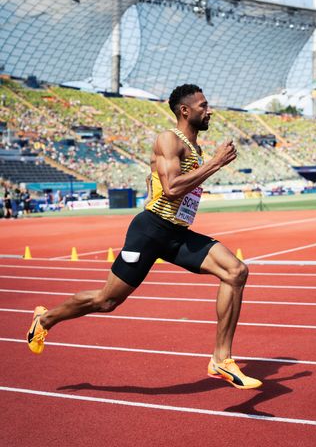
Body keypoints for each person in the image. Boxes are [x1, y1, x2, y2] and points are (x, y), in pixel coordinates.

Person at [27, 84, 262, 390]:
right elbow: (173, 188)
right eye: (204, 106)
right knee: (107, 300)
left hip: (176, 234)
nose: (210, 111)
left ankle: (221, 358)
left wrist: (197, 166)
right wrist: (215, 163)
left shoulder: (195, 150)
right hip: (150, 231)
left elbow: (165, 184)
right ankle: (44, 320)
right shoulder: (168, 139)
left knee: (236, 271)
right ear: (185, 111)